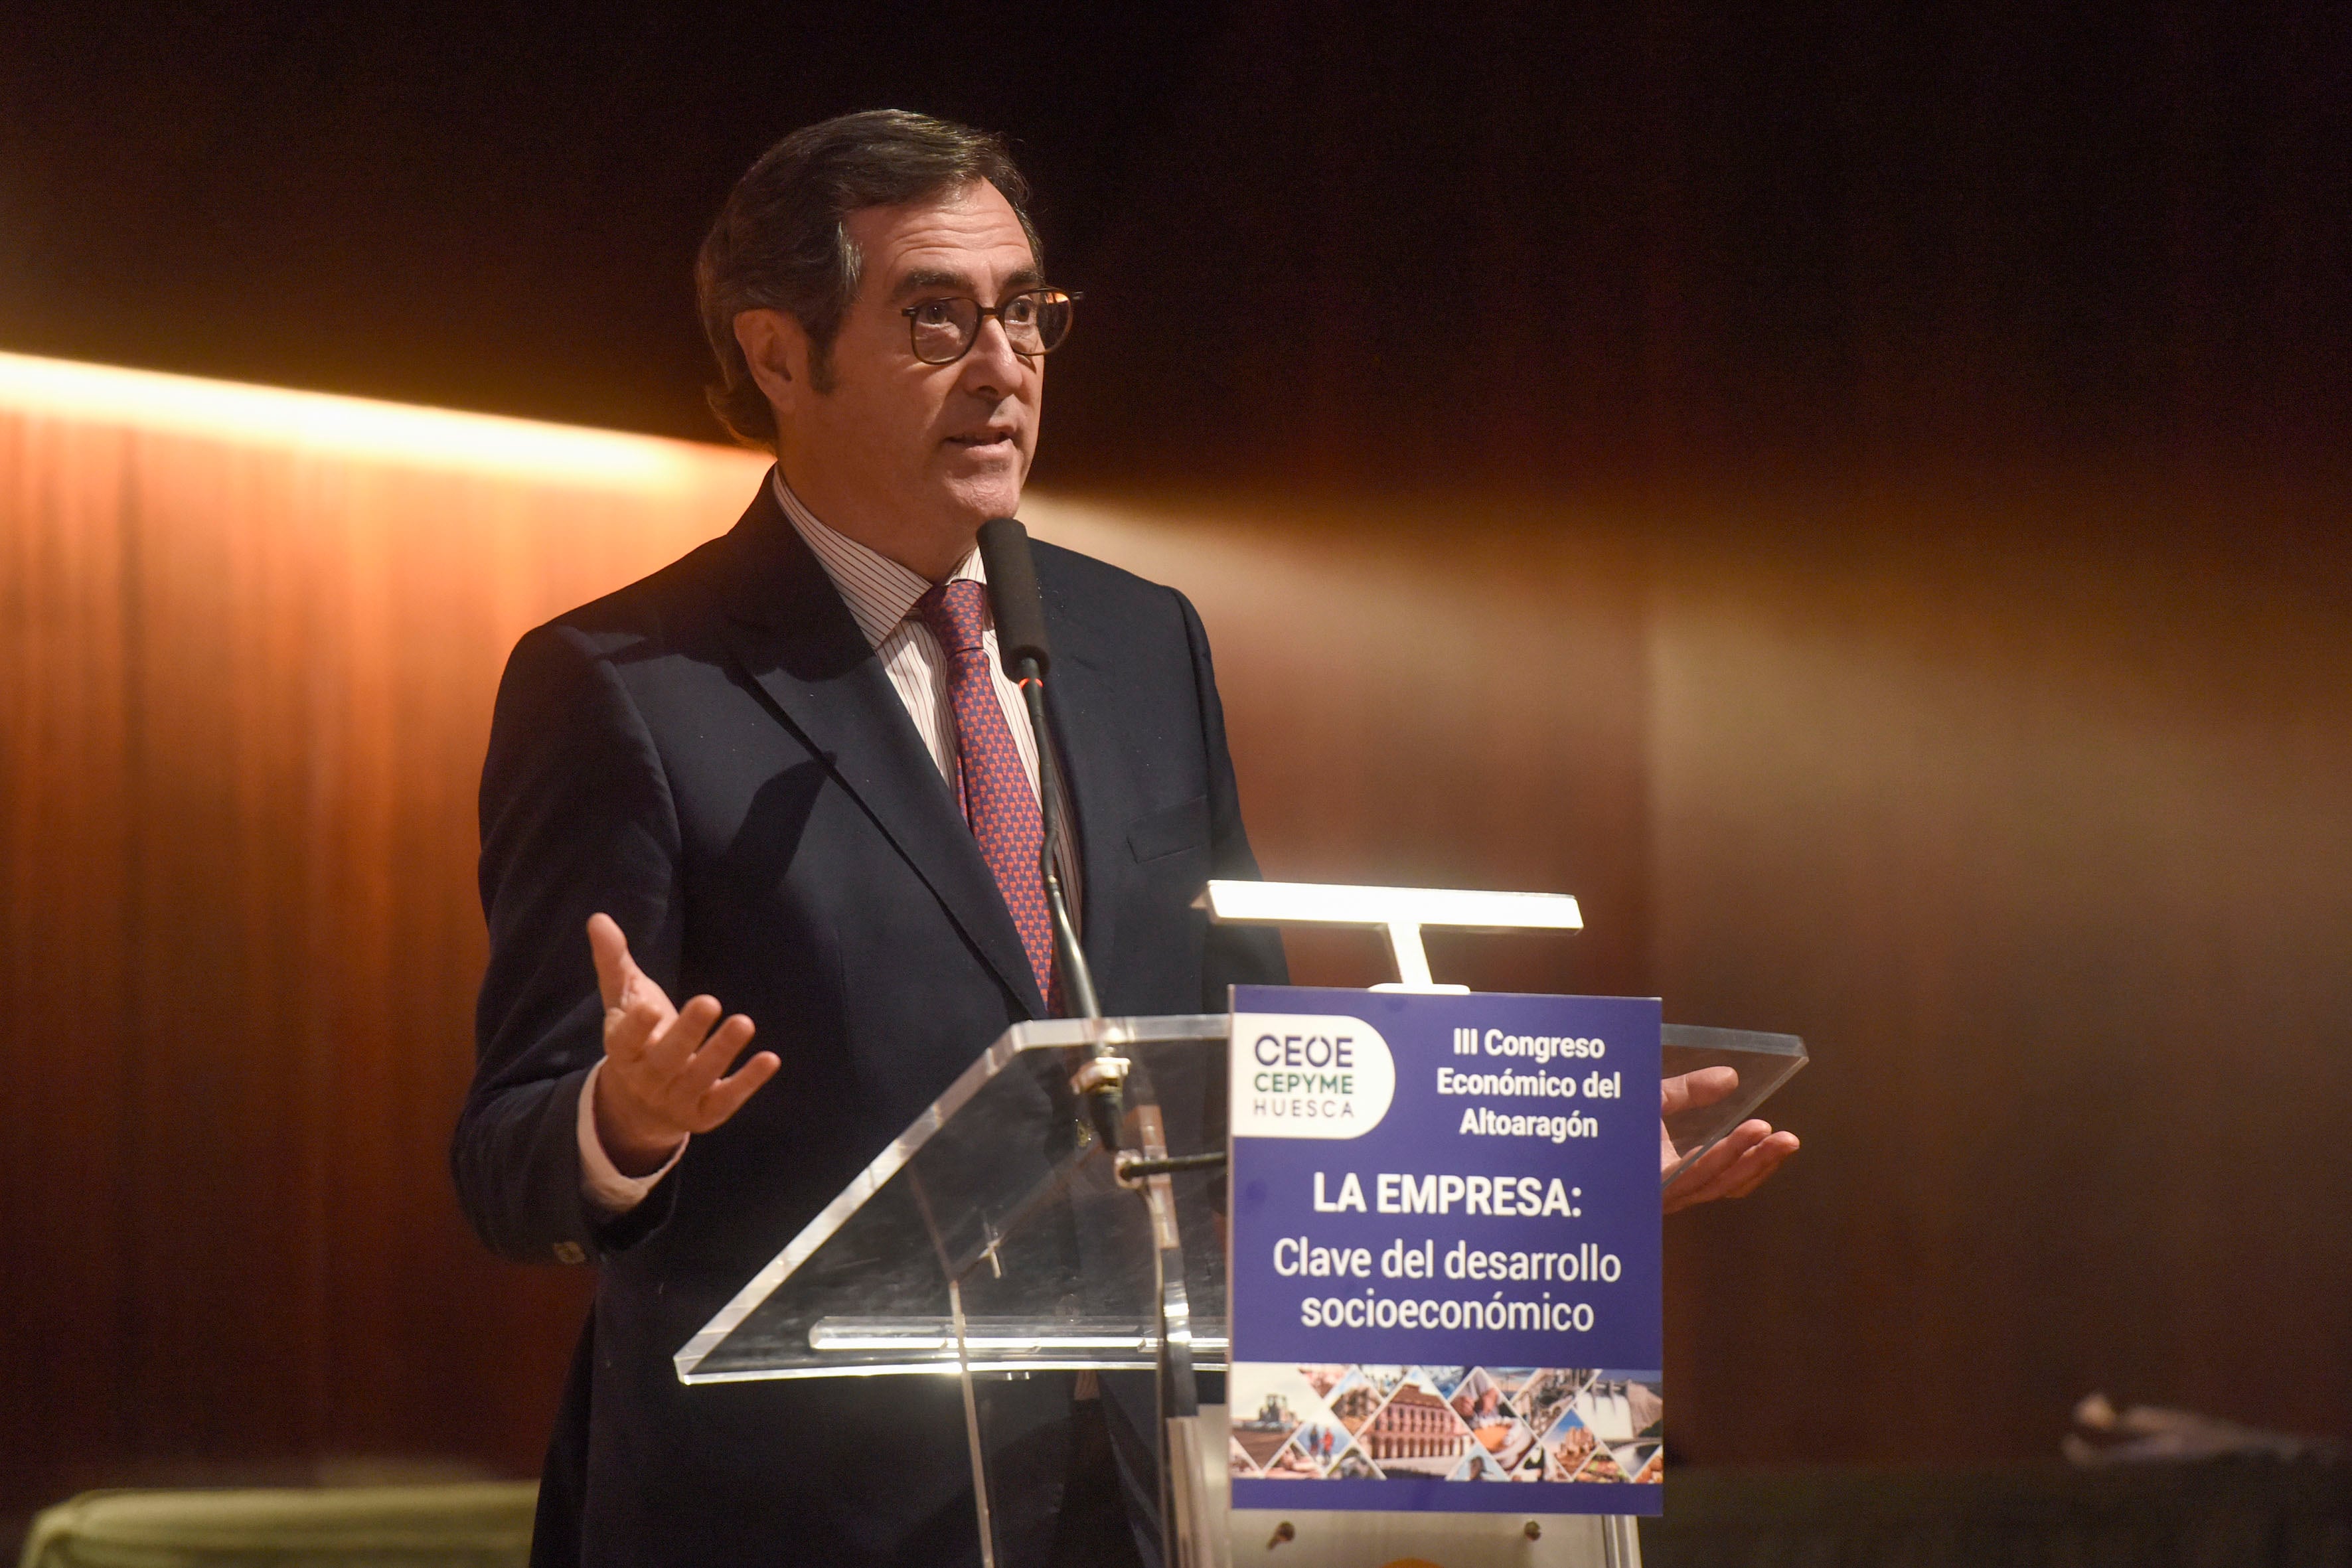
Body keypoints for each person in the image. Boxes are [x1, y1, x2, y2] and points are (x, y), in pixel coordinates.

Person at [452, 109, 1794, 1568]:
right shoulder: (631, 682)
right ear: (779, 352)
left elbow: (1263, 1070)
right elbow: (508, 1153)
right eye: (934, 317)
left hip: (1141, 1504)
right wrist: (626, 1120)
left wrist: (1529, 1184)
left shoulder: (1131, 639)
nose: (1003, 364)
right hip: (796, 1518)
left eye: (1026, 313)